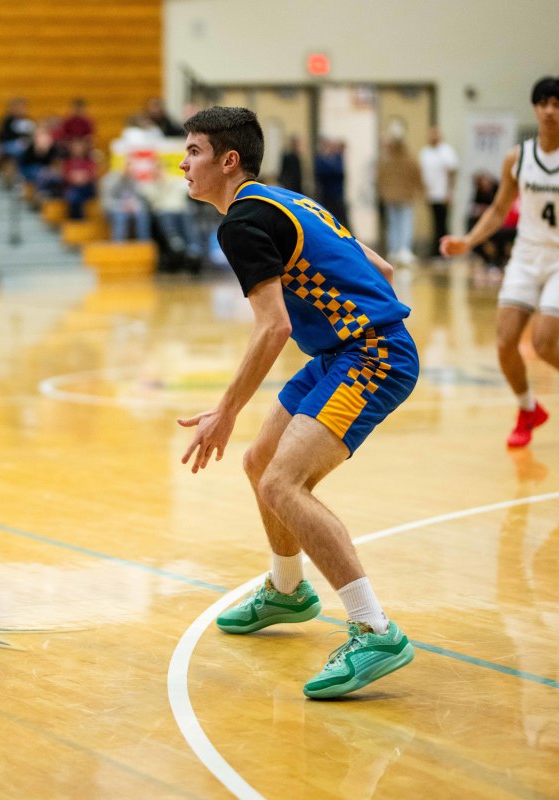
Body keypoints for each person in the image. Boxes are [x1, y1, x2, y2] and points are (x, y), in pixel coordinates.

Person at [177, 106, 418, 699]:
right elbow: (381, 268)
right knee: (260, 464)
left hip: (369, 355)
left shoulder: (240, 223)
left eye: (194, 152)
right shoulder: (289, 201)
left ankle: (374, 629)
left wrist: (225, 411)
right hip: (343, 352)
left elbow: (273, 328)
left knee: (282, 483)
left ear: (228, 161)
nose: (183, 162)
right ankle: (288, 590)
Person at [441, 77, 559, 448]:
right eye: (543, 103)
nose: (549, 110)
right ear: (535, 109)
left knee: (544, 343)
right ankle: (527, 409)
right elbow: (500, 208)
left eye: (558, 104)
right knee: (504, 343)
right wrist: (467, 241)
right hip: (525, 256)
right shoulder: (517, 157)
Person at [376, 131, 423, 264]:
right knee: (405, 223)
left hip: (390, 197)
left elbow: (379, 178)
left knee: (393, 224)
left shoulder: (386, 160)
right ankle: (405, 250)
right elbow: (418, 175)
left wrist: (383, 193)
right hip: (406, 197)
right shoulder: (410, 159)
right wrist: (421, 191)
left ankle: (394, 251)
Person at [418, 127, 459, 254]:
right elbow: (422, 173)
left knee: (443, 224)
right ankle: (435, 251)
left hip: (443, 194)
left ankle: (446, 251)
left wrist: (450, 192)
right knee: (434, 224)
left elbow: (452, 172)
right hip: (431, 194)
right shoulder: (425, 152)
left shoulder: (446, 151)